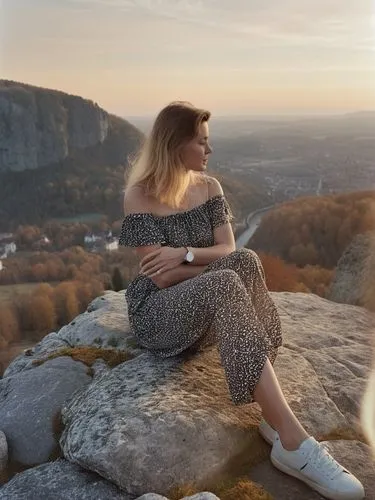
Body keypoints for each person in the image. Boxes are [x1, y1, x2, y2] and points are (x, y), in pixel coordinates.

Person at [119, 101, 364, 500]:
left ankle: (270, 404)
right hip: (159, 314)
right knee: (229, 278)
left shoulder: (209, 187)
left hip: (203, 305)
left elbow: (229, 248)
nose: (209, 151)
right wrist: (204, 265)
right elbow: (160, 279)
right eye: (201, 143)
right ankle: (292, 441)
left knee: (245, 261)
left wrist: (184, 254)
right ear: (175, 145)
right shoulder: (139, 197)